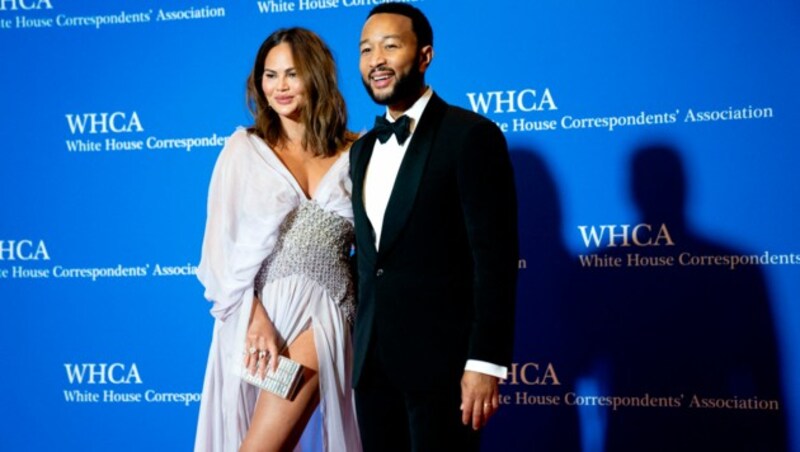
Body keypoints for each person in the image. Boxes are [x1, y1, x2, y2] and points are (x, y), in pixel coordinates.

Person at [350, 3, 518, 451]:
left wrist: (485, 361)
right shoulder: (361, 150)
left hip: (445, 368)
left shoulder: (470, 135)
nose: (376, 60)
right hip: (372, 365)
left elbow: (495, 259)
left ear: (424, 56)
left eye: (391, 45)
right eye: (366, 50)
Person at [194, 27, 361, 451]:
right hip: (253, 320)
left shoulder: (357, 152)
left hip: (324, 311)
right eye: (270, 75)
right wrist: (255, 320)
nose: (279, 87)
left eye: (291, 73)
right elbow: (218, 252)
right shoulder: (243, 149)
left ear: (316, 77)